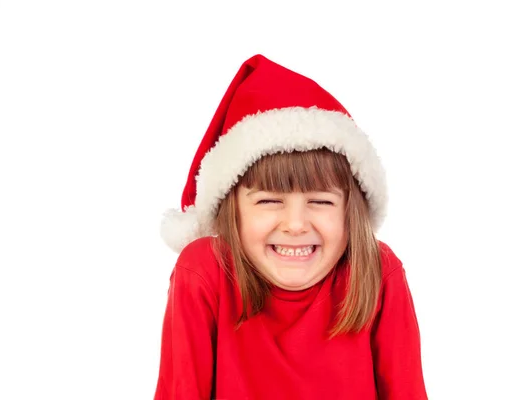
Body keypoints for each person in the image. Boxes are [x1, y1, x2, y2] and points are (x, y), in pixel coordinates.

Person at [154, 54, 428, 399]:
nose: (296, 224)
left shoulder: (376, 269)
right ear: (232, 208)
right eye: (269, 201)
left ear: (350, 211)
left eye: (321, 201)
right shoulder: (204, 272)